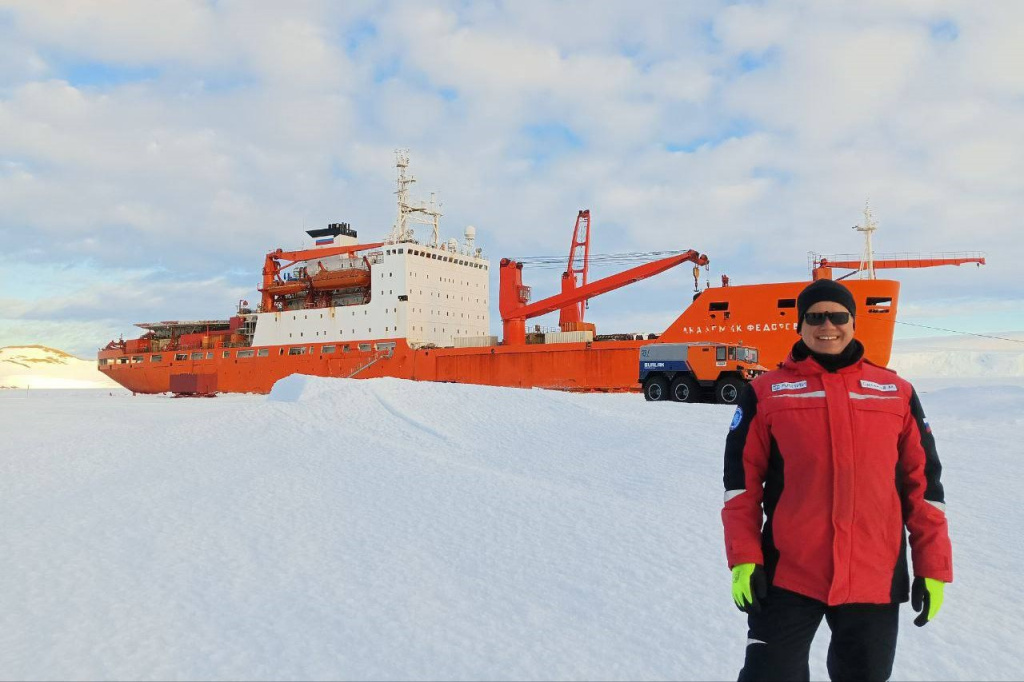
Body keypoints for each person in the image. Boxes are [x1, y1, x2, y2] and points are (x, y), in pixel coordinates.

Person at [721, 278, 953, 681]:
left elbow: (924, 487)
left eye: (837, 315)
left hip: (873, 576)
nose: (827, 324)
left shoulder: (895, 392)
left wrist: (932, 566)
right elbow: (741, 486)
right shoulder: (766, 392)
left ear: (853, 321)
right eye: (814, 316)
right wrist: (745, 558)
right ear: (799, 325)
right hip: (788, 573)